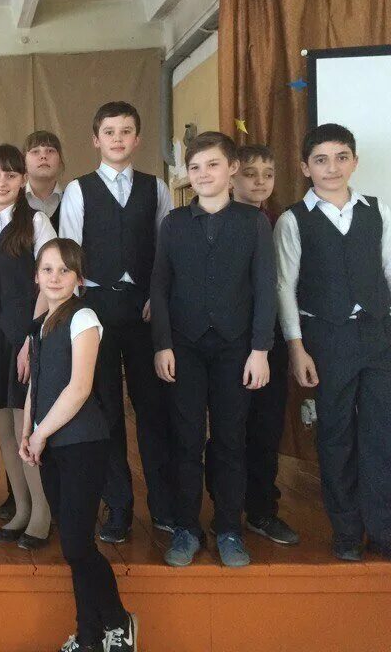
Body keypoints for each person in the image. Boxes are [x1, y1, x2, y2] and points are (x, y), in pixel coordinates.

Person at [151, 132, 276, 568]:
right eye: (196, 167)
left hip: (235, 348)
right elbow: (160, 288)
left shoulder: (253, 221)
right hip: (183, 347)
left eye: (213, 164)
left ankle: (228, 528)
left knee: (230, 438)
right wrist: (162, 344)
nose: (203, 174)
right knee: (186, 438)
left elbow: (265, 288)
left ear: (232, 168)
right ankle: (187, 527)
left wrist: (260, 349)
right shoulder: (174, 223)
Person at [58, 101, 175, 542]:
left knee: (153, 409)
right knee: (105, 410)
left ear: (137, 138)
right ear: (96, 139)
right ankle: (119, 506)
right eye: (109, 132)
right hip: (98, 311)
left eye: (126, 131)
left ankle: (163, 505)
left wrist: (157, 298)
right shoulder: (79, 189)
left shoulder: (156, 187)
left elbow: (165, 251)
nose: (118, 138)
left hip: (144, 311)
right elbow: (70, 254)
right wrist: (79, 314)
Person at [275, 123, 391, 562]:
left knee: (381, 433)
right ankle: (346, 530)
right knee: (336, 434)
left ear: (354, 161)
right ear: (306, 167)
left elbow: (389, 271)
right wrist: (296, 347)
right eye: (321, 160)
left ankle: (383, 528)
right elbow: (285, 287)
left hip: (377, 334)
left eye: (342, 157)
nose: (332, 167)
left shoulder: (377, 211)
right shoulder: (293, 220)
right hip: (325, 337)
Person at [20, 238, 137, 652]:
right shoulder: (40, 325)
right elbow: (36, 385)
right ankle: (88, 637)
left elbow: (79, 387)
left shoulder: (83, 317)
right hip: (50, 445)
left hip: (82, 444)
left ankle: (119, 621)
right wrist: (27, 432)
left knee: (76, 544)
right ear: (37, 277)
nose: (55, 277)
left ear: (79, 279)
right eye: (47, 269)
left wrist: (40, 434)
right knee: (75, 548)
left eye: (64, 270)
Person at [0, 144, 56, 549]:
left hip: (24, 338)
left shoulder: (36, 222)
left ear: (22, 181)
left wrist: (32, 339)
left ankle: (42, 513)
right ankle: (20, 507)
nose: (2, 182)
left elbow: (51, 283)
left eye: (11, 174)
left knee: (26, 428)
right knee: (2, 428)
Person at [207, 144, 298, 546]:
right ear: (231, 175)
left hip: (269, 340)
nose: (260, 181)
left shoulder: (280, 221)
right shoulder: (214, 220)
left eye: (268, 174)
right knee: (228, 427)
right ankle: (224, 508)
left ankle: (261, 508)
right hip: (227, 340)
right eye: (250, 173)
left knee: (266, 426)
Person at [24, 130, 65, 232]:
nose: (43, 156)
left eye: (50, 151)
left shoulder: (73, 200)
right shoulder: (13, 202)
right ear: (24, 162)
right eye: (35, 151)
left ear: (60, 160)